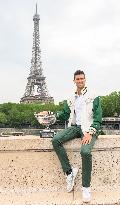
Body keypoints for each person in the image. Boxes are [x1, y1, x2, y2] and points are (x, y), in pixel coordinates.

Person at [40, 70, 102, 202]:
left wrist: (90, 133)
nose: (80, 81)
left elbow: (98, 117)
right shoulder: (70, 98)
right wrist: (49, 113)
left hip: (88, 129)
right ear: (74, 81)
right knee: (56, 140)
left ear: (85, 80)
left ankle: (86, 187)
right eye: (78, 79)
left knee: (85, 152)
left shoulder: (94, 95)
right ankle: (69, 172)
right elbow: (63, 114)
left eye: (82, 79)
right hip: (75, 127)